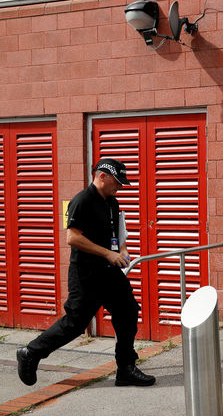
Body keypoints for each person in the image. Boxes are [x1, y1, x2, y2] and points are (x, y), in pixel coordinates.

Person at [16, 158, 155, 387]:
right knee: (75, 323)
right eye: (117, 182)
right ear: (102, 176)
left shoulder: (112, 202)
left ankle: (126, 368)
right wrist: (108, 254)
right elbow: (73, 237)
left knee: (127, 310)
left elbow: (117, 232)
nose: (119, 187)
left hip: (109, 272)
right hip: (86, 275)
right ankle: (31, 353)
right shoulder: (82, 201)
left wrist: (121, 250)